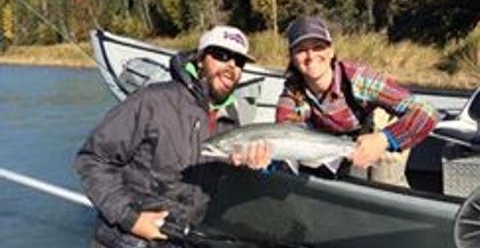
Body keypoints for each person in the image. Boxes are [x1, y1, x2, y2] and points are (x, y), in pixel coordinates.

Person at [75, 25, 266, 248]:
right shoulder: (153, 101)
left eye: (239, 61)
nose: (231, 66)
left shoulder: (231, 121)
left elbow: (209, 191)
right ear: (200, 59)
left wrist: (244, 169)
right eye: (221, 56)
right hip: (124, 241)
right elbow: (92, 159)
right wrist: (131, 219)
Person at [275, 16, 439, 178]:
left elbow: (428, 112)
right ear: (292, 58)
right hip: (329, 143)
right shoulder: (292, 92)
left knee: (383, 170)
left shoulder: (359, 79)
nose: (310, 56)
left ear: (331, 52)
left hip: (374, 134)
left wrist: (384, 139)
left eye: (318, 47)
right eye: (301, 50)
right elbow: (284, 132)